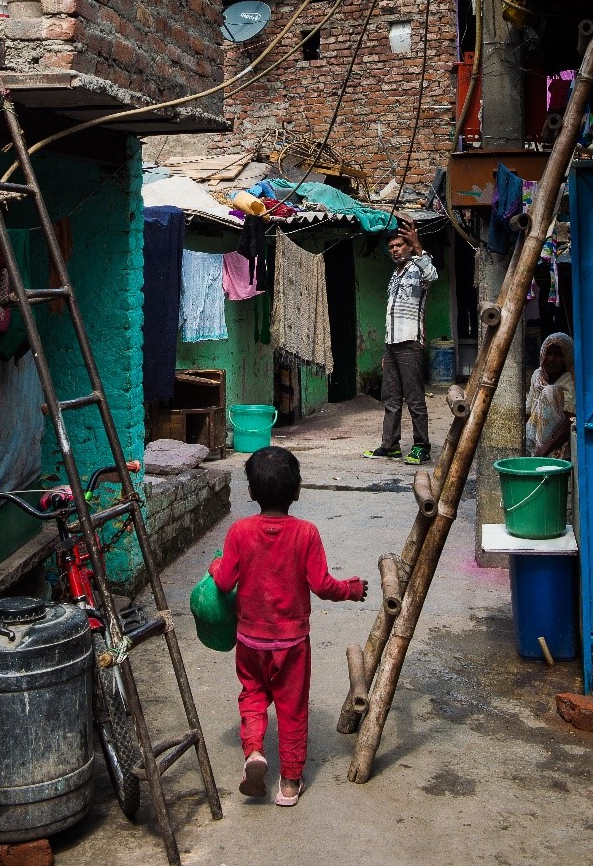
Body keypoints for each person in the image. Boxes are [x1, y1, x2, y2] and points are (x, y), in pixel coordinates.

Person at [209, 446, 366, 808]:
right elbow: (323, 586)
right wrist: (352, 590)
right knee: (292, 710)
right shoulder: (306, 533)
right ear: (297, 490)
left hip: (250, 640)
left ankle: (253, 753)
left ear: (250, 492)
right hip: (292, 643)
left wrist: (214, 567)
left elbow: (224, 581)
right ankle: (290, 782)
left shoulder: (239, 531)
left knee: (252, 696)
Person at [367, 217, 438, 465]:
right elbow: (391, 312)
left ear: (409, 247)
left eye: (399, 245)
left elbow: (433, 277)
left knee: (415, 397)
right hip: (393, 343)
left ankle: (422, 446)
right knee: (391, 397)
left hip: (410, 342)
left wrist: (419, 248)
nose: (395, 250)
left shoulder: (419, 269)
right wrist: (386, 349)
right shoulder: (395, 275)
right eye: (392, 247)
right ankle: (390, 445)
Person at [525, 332, 575, 457]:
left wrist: (545, 448)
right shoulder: (537, 376)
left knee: (550, 391)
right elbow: (528, 412)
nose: (552, 359)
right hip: (534, 440)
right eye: (549, 353)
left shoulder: (569, 379)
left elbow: (570, 419)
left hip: (557, 442)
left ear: (567, 358)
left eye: (558, 355)